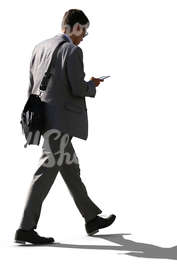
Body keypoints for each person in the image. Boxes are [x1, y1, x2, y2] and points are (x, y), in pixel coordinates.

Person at [15, 9, 116, 245]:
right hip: (62, 121)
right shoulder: (72, 51)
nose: (85, 36)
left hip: (45, 118)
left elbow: (32, 85)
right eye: (84, 30)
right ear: (75, 27)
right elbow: (77, 89)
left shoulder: (39, 47)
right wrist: (91, 85)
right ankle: (25, 228)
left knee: (70, 168)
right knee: (45, 171)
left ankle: (91, 217)